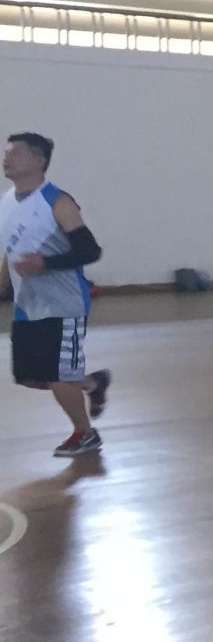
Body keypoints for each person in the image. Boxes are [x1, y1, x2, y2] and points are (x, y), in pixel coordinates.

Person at [1, 132, 113, 457]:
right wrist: (3, 282)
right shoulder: (6, 201)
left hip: (63, 304)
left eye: (15, 153)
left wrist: (46, 263)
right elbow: (11, 249)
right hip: (27, 305)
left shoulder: (58, 202)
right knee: (31, 376)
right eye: (6, 153)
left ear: (38, 161)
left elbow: (90, 250)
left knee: (58, 375)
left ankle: (86, 435)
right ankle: (92, 383)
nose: (6, 158)